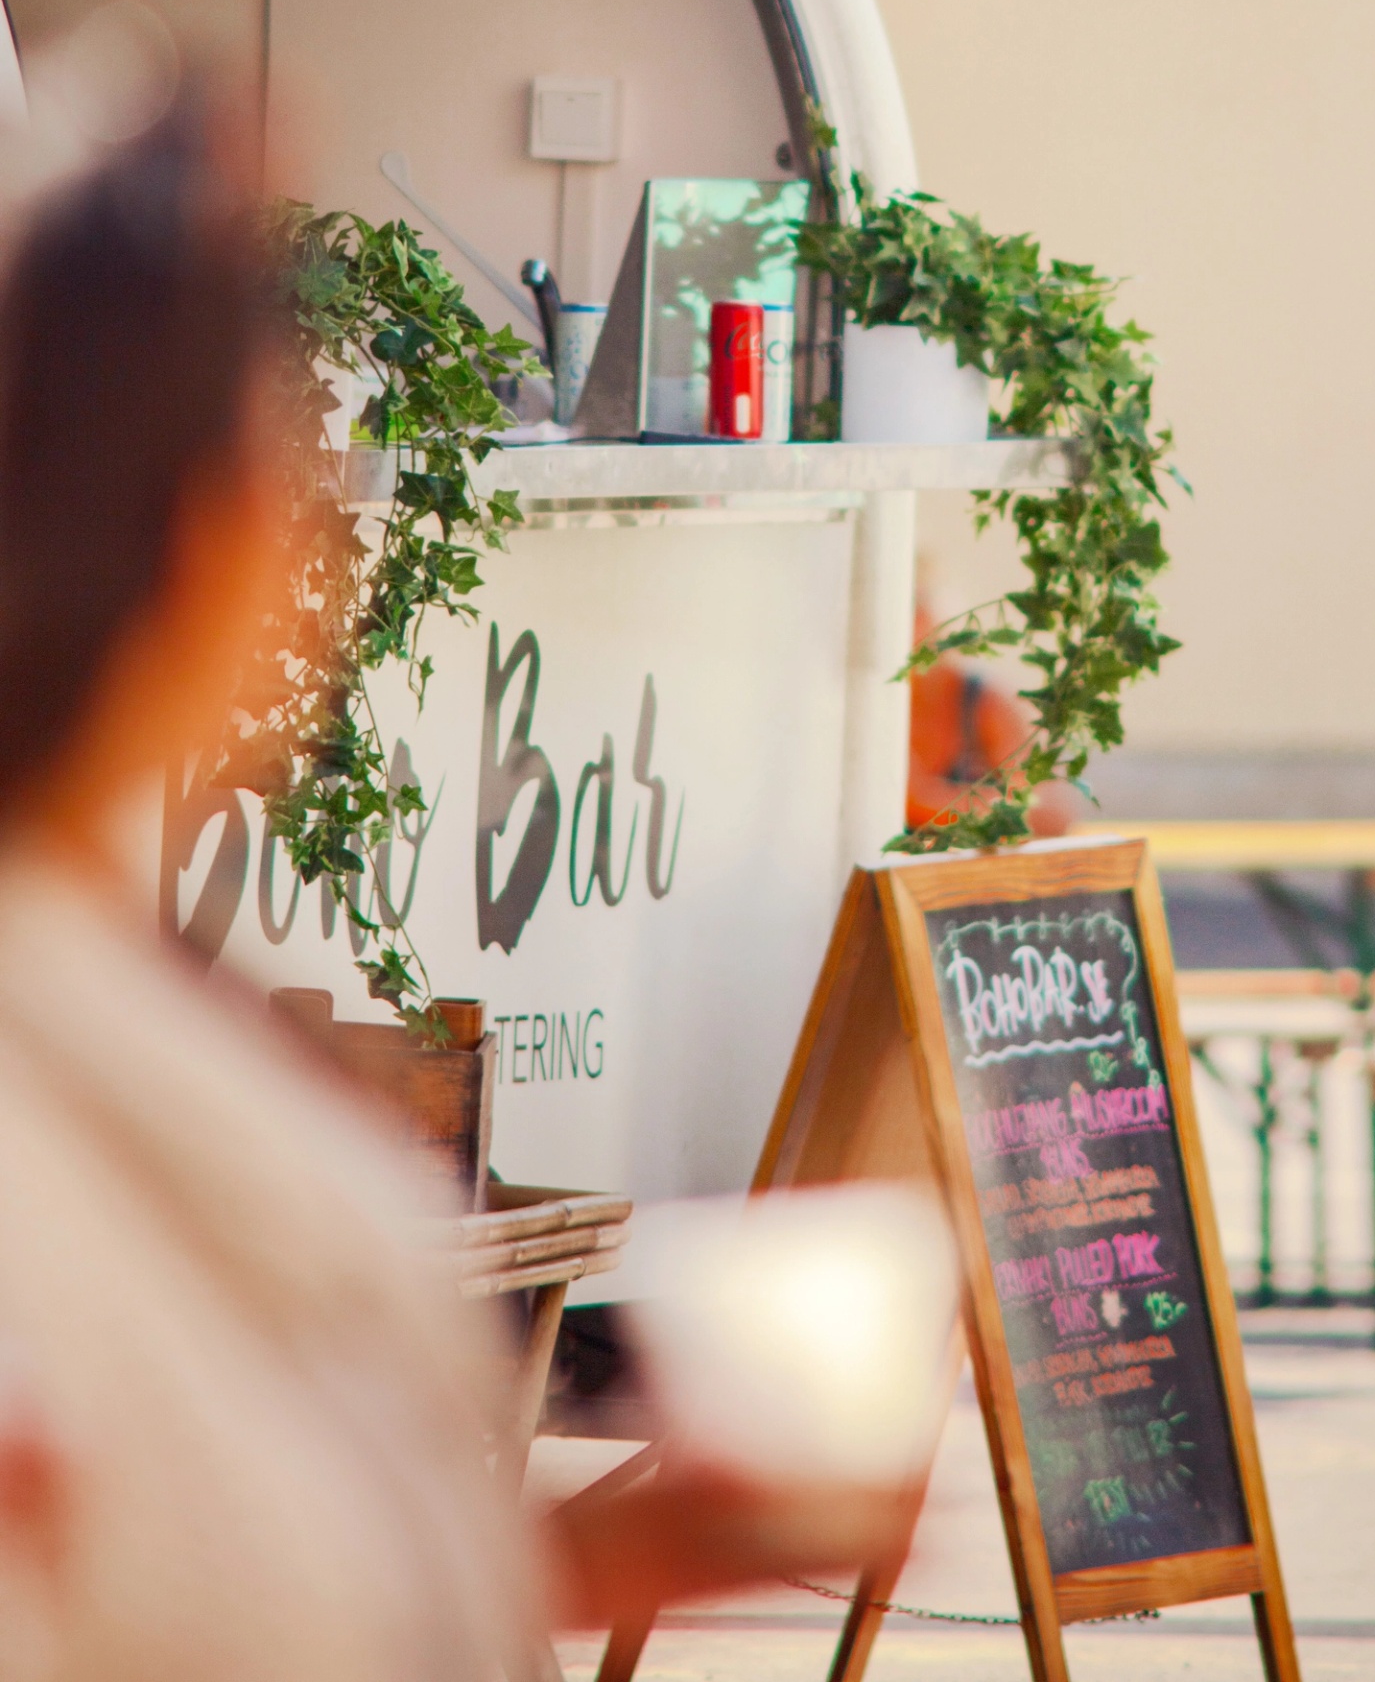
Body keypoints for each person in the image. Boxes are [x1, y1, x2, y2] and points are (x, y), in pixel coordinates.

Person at [0, 93, 912, 1679]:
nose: (328, 555)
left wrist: (593, 1556)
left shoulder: (107, 975)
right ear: (203, 544)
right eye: (284, 476)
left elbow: (211, 1561)